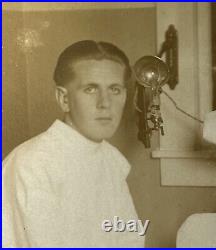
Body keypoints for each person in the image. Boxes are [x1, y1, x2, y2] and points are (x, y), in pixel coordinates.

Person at [2, 40, 145, 247]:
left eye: (115, 90)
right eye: (90, 89)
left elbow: (130, 238)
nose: (105, 103)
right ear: (64, 99)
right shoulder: (31, 165)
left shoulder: (112, 160)